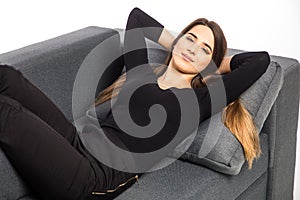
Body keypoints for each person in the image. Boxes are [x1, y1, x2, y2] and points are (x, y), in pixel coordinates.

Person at [0, 7, 270, 200]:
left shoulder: (200, 101)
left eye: (205, 49)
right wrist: (179, 45)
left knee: (7, 114)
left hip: (92, 177)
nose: (193, 48)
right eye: (190, 39)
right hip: (77, 142)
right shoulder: (141, 72)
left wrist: (211, 64)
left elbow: (259, 61)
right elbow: (137, 18)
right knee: (8, 77)